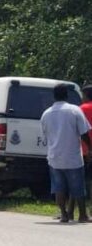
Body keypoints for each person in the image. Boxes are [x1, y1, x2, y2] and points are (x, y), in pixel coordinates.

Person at [41, 84, 92, 223]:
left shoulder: (46, 113)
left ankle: (64, 214)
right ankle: (82, 215)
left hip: (54, 157)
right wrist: (90, 149)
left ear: (54, 95)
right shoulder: (74, 110)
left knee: (59, 187)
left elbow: (45, 134)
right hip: (73, 156)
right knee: (78, 187)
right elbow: (84, 133)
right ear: (66, 95)